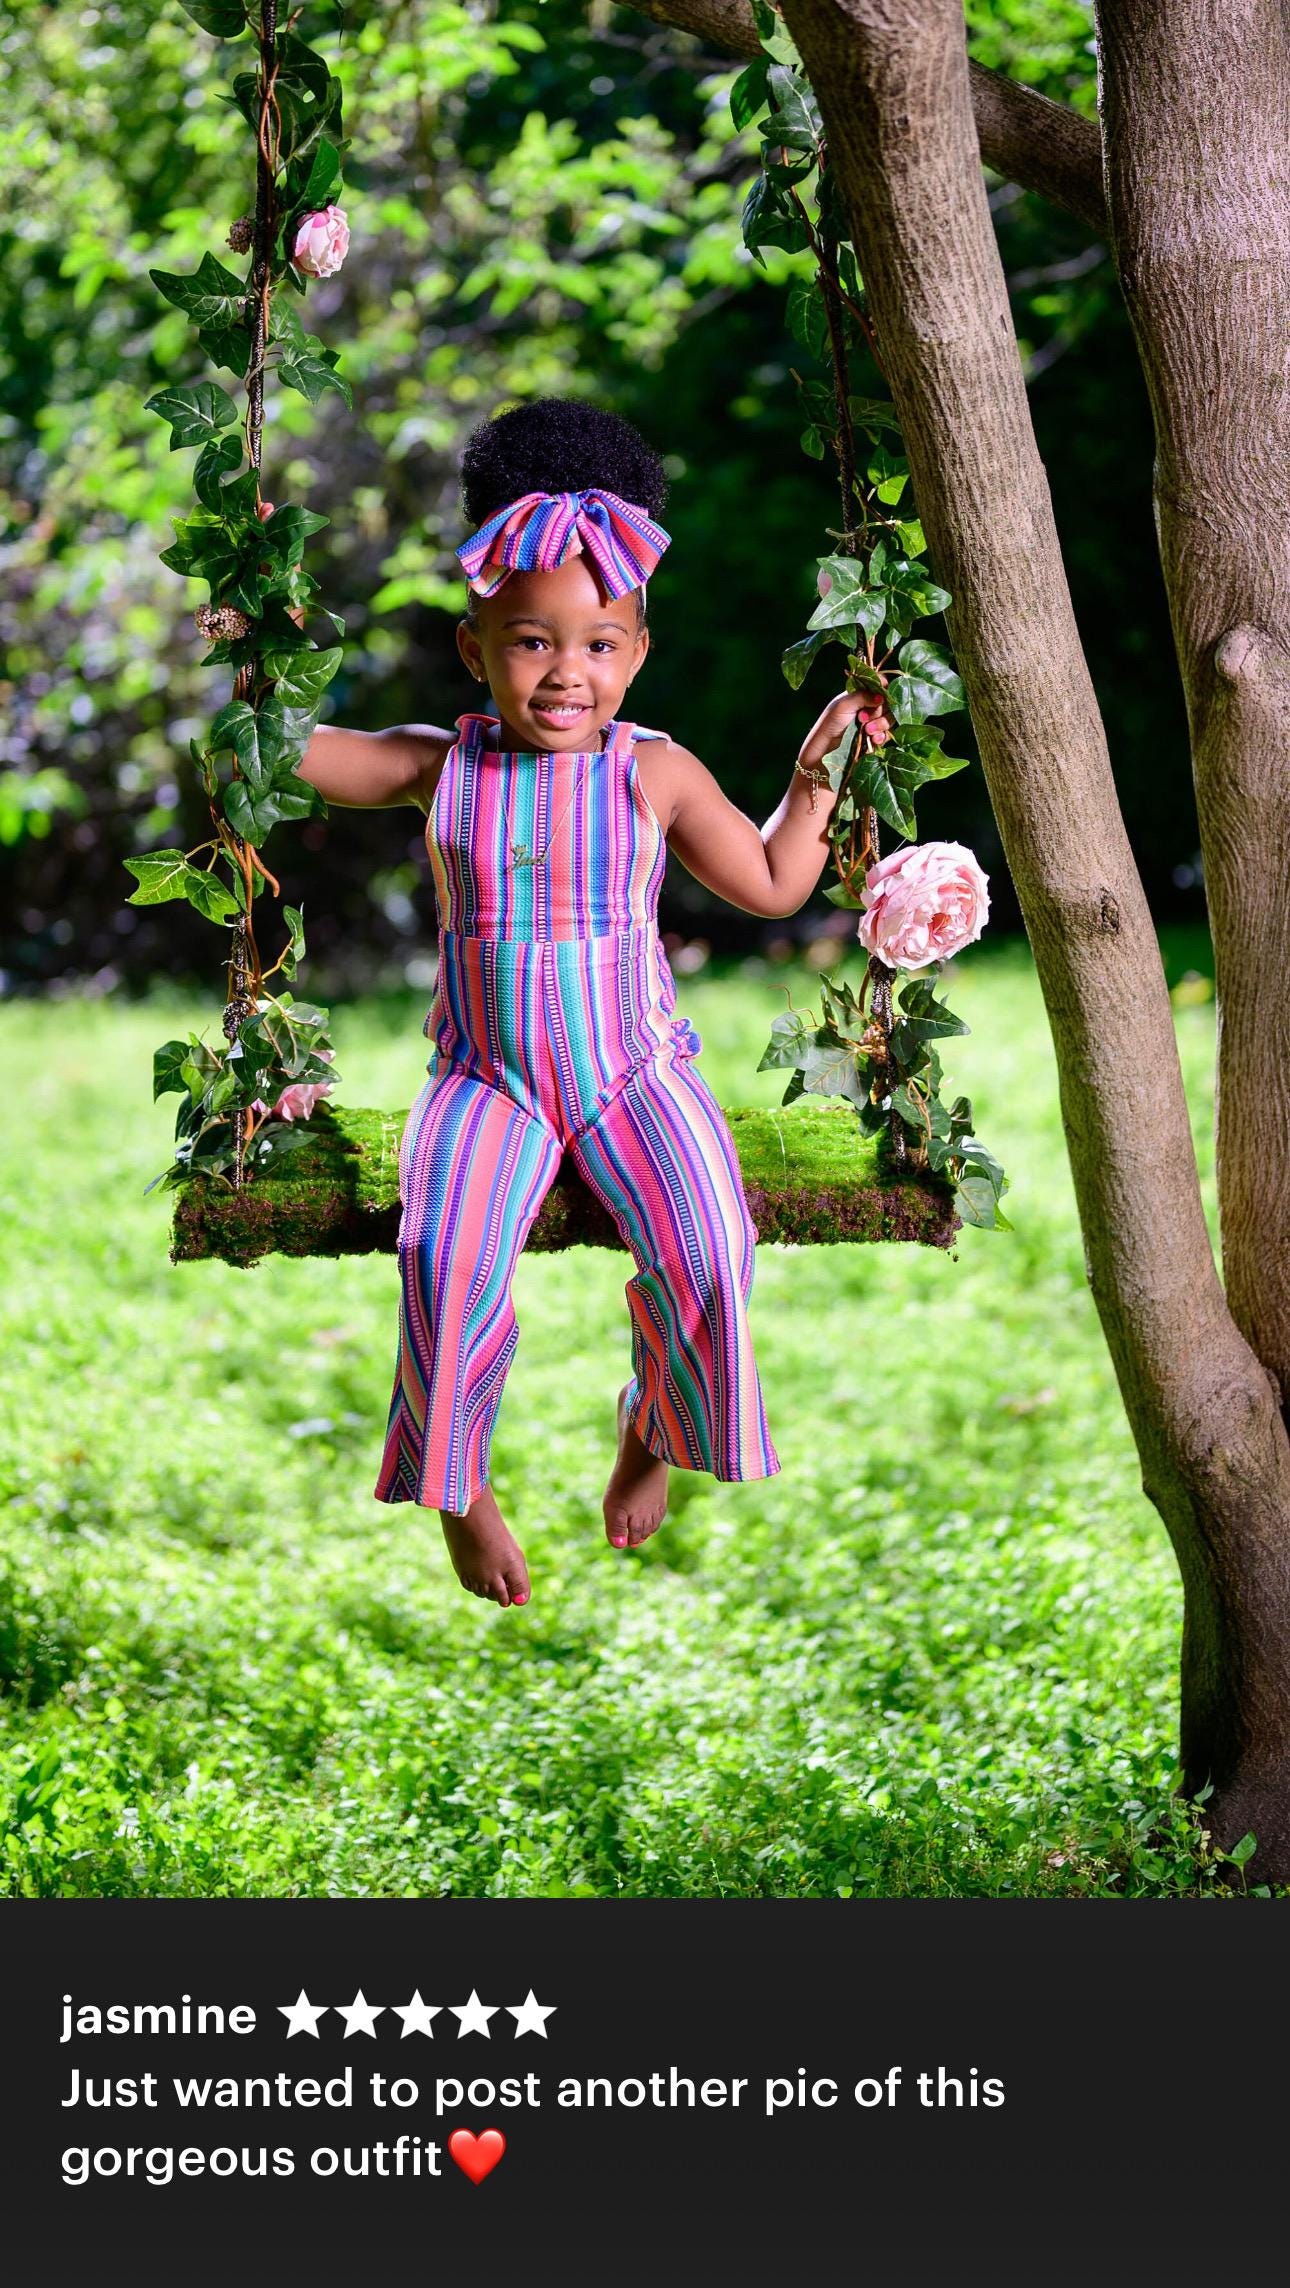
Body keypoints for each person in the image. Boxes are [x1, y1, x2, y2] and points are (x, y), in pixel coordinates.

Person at [281, 398, 889, 1609]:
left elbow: (776, 879)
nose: (568, 671)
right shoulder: (441, 764)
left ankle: (651, 1427)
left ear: (638, 652)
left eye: (601, 643)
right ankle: (457, 1483)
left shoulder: (653, 771)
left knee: (711, 1243)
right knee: (441, 1255)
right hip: (486, 1080)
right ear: (474, 649)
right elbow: (289, 754)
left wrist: (822, 763)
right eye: (530, 641)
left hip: (633, 1073)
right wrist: (257, 647)